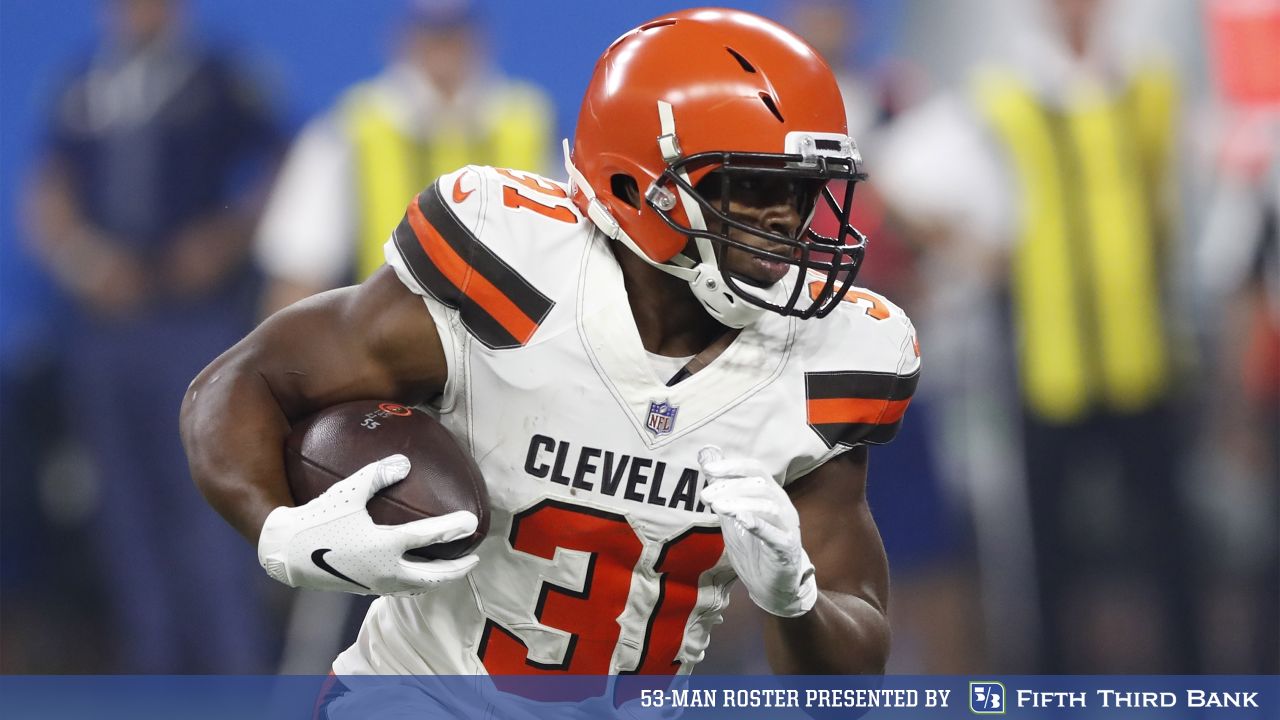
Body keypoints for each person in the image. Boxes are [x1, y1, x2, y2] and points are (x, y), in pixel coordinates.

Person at [181, 7, 918, 694]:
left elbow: (845, 686)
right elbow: (244, 382)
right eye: (751, 186)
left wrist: (794, 599)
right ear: (636, 183)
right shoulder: (515, 276)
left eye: (803, 191)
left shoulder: (833, 354)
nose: (784, 222)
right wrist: (279, 529)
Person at [876, 0, 1197, 672]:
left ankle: (1190, 688)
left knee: (1170, 548)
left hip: (1143, 357)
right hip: (1048, 361)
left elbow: (1170, 207)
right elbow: (898, 172)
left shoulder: (1147, 85)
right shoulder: (1006, 94)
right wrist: (971, 253)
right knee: (1053, 557)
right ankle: (1055, 695)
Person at [23, 0, 281, 671]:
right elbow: (45, 191)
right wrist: (85, 260)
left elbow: (282, 163)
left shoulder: (216, 75)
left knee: (209, 504)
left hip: (194, 324)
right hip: (107, 328)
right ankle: (155, 684)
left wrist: (222, 242)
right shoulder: (83, 83)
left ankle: (234, 681)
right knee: (128, 518)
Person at [253, 0, 554, 315]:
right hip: (390, 346)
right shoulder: (352, 128)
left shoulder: (529, 124)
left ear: (481, 38)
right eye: (431, 32)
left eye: (453, 32)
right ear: (402, 37)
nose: (443, 48)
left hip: (512, 345)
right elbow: (299, 268)